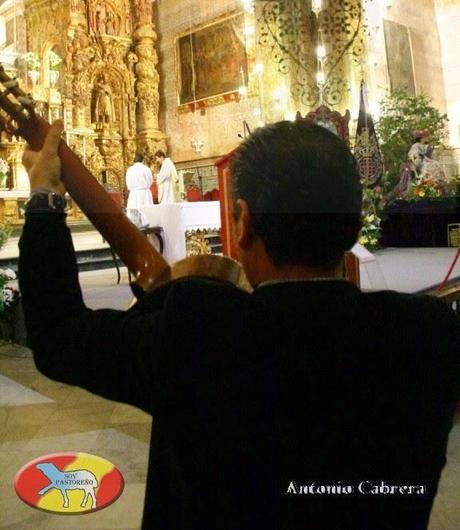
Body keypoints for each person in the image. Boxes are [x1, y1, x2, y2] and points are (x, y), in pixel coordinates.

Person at [18, 120, 460, 530]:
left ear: (244, 221)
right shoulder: (429, 333)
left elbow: (59, 337)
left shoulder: (200, 329)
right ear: (353, 222)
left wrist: (44, 198)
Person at [125, 153, 153, 226]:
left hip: (134, 194)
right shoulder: (146, 169)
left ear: (134, 160)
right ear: (142, 160)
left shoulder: (130, 170)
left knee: (134, 213)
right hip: (145, 193)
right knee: (146, 214)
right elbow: (150, 181)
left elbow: (128, 183)